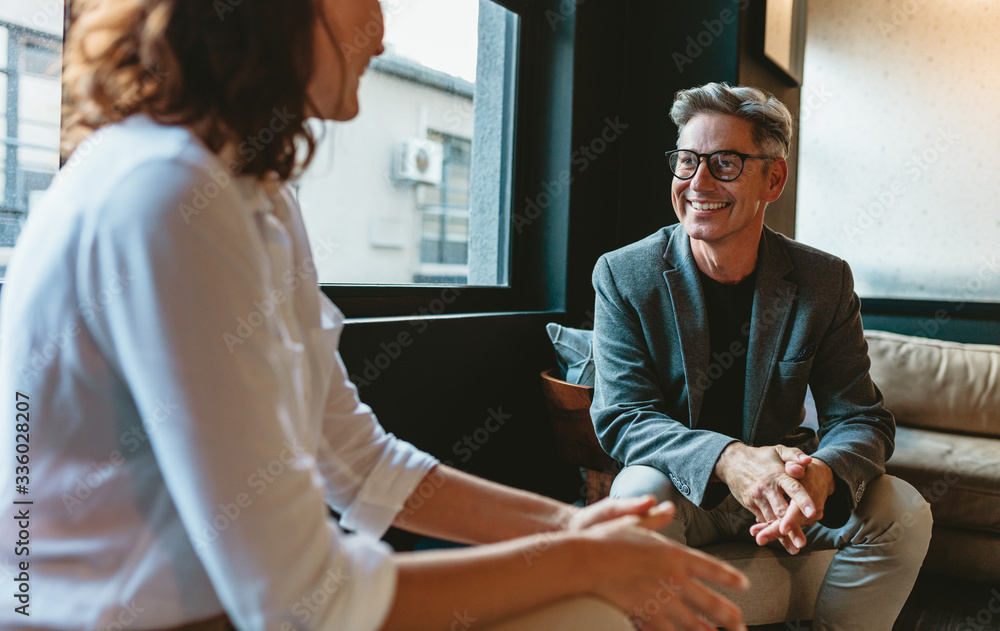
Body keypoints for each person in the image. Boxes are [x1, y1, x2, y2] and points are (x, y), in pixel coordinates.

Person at [0, 3, 752, 631]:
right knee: (592, 607)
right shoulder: (165, 196)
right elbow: (300, 600)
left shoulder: (256, 195)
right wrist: (586, 562)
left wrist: (569, 527)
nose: (384, 34)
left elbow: (358, 460)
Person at [591, 82, 933, 630]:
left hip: (791, 489)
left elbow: (862, 417)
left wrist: (823, 474)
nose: (698, 182)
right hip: (681, 488)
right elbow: (623, 416)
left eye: (725, 163)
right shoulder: (624, 274)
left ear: (774, 179)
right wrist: (730, 458)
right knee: (635, 496)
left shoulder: (824, 280)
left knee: (905, 512)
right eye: (686, 161)